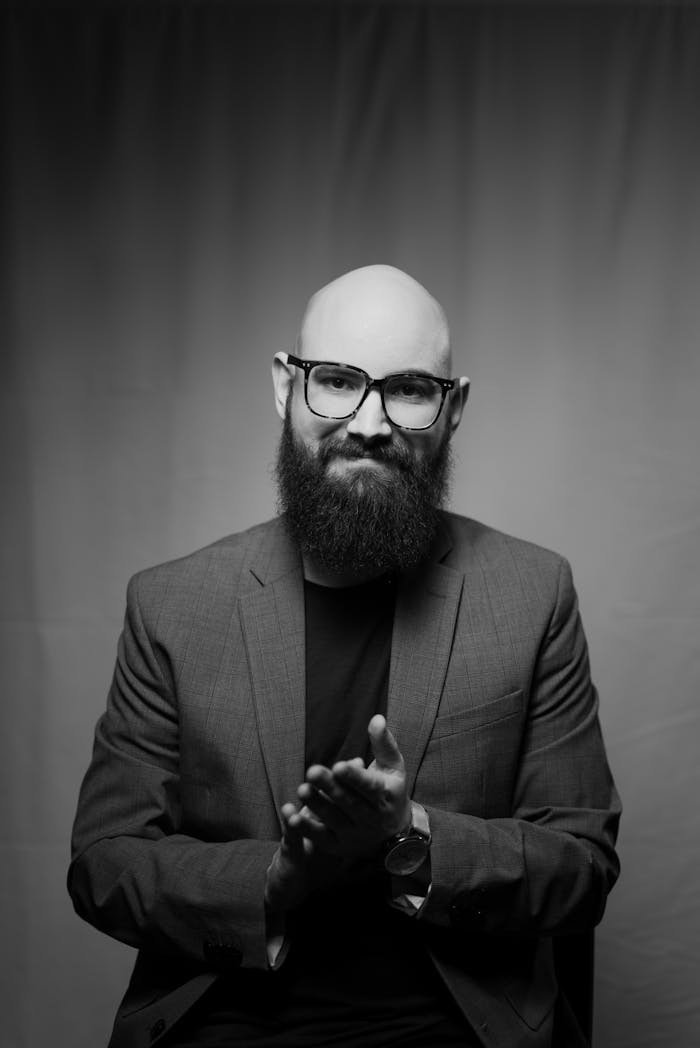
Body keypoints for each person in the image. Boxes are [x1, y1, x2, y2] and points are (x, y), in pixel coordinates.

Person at [68, 264, 621, 1048]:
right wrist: (276, 879)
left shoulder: (533, 595)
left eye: (408, 389)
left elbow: (581, 865)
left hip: (453, 1025)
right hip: (229, 1019)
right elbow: (105, 862)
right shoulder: (172, 604)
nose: (367, 422)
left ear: (453, 407)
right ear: (283, 388)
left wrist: (413, 834)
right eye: (335, 380)